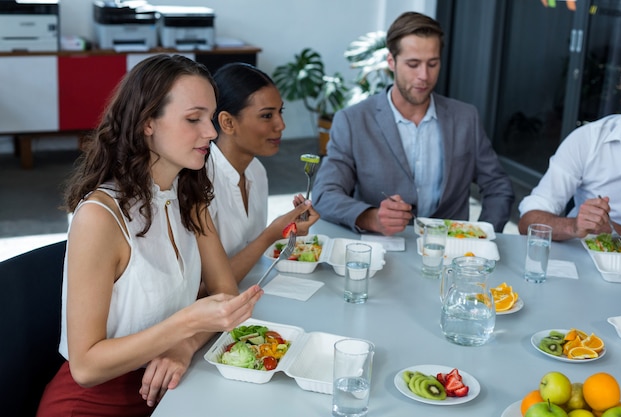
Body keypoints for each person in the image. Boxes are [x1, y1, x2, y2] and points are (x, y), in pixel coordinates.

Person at [37, 54, 263, 416]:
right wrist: (186, 323)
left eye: (210, 117)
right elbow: (86, 367)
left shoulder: (189, 197)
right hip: (95, 402)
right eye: (194, 119)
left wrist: (185, 344)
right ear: (147, 124)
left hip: (170, 389)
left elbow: (225, 294)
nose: (211, 131)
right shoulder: (100, 217)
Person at [311, 11, 514, 236]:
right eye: (413, 64)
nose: (424, 76)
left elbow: (498, 186)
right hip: (381, 253)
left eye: (432, 64)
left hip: (449, 254)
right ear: (391, 61)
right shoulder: (353, 121)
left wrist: (481, 236)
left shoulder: (466, 118)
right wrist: (371, 218)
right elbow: (324, 193)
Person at [208, 62, 320, 282]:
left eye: (280, 112)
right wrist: (271, 234)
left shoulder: (256, 171)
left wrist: (288, 228)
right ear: (228, 122)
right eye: (267, 116)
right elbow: (207, 287)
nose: (281, 125)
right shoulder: (201, 183)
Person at [517, 66, 621, 241]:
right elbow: (528, 221)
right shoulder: (589, 139)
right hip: (587, 261)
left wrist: (616, 231)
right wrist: (574, 226)